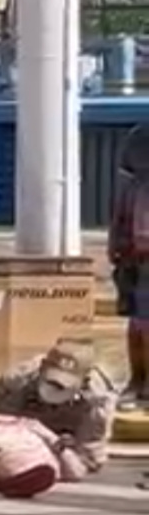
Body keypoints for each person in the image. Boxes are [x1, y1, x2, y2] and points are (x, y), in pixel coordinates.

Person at [0, 338, 119, 481]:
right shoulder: (17, 381)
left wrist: (57, 444)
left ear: (84, 380)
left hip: (67, 438)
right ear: (42, 367)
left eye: (63, 385)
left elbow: (87, 458)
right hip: (24, 431)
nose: (55, 388)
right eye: (50, 381)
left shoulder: (97, 399)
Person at [109, 122, 149, 407]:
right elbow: (121, 214)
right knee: (138, 323)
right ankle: (138, 381)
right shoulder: (135, 186)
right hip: (137, 259)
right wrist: (117, 244)